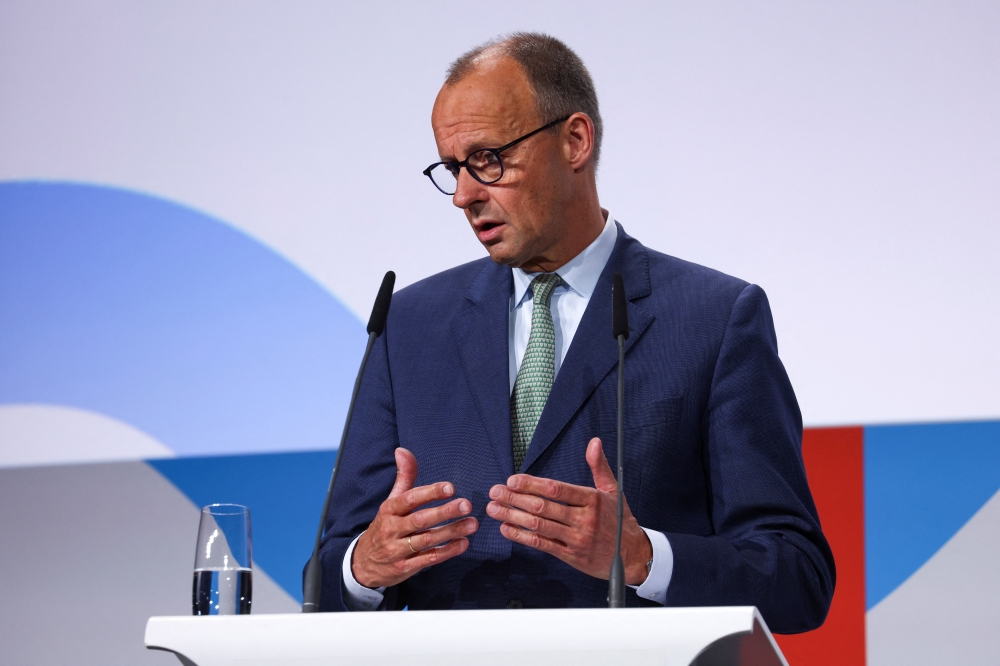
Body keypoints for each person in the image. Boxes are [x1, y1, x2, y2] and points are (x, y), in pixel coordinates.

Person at [314, 32, 835, 633]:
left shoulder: (714, 319)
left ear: (575, 141)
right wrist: (365, 566)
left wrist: (645, 558)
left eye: (488, 159)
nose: (463, 195)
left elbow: (798, 578)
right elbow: (325, 579)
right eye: (452, 168)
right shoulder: (408, 324)